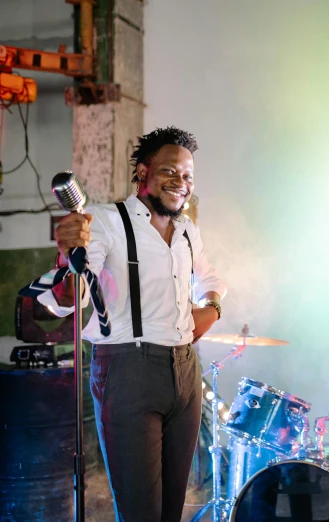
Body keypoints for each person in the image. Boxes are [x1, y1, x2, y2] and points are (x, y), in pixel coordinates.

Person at [39, 127, 227, 521]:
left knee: (170, 513)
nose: (181, 183)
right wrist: (65, 257)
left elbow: (209, 279)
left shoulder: (188, 232)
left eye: (188, 175)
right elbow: (75, 296)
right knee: (142, 513)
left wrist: (210, 310)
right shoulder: (105, 221)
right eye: (170, 172)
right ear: (143, 172)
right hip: (128, 372)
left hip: (185, 374)